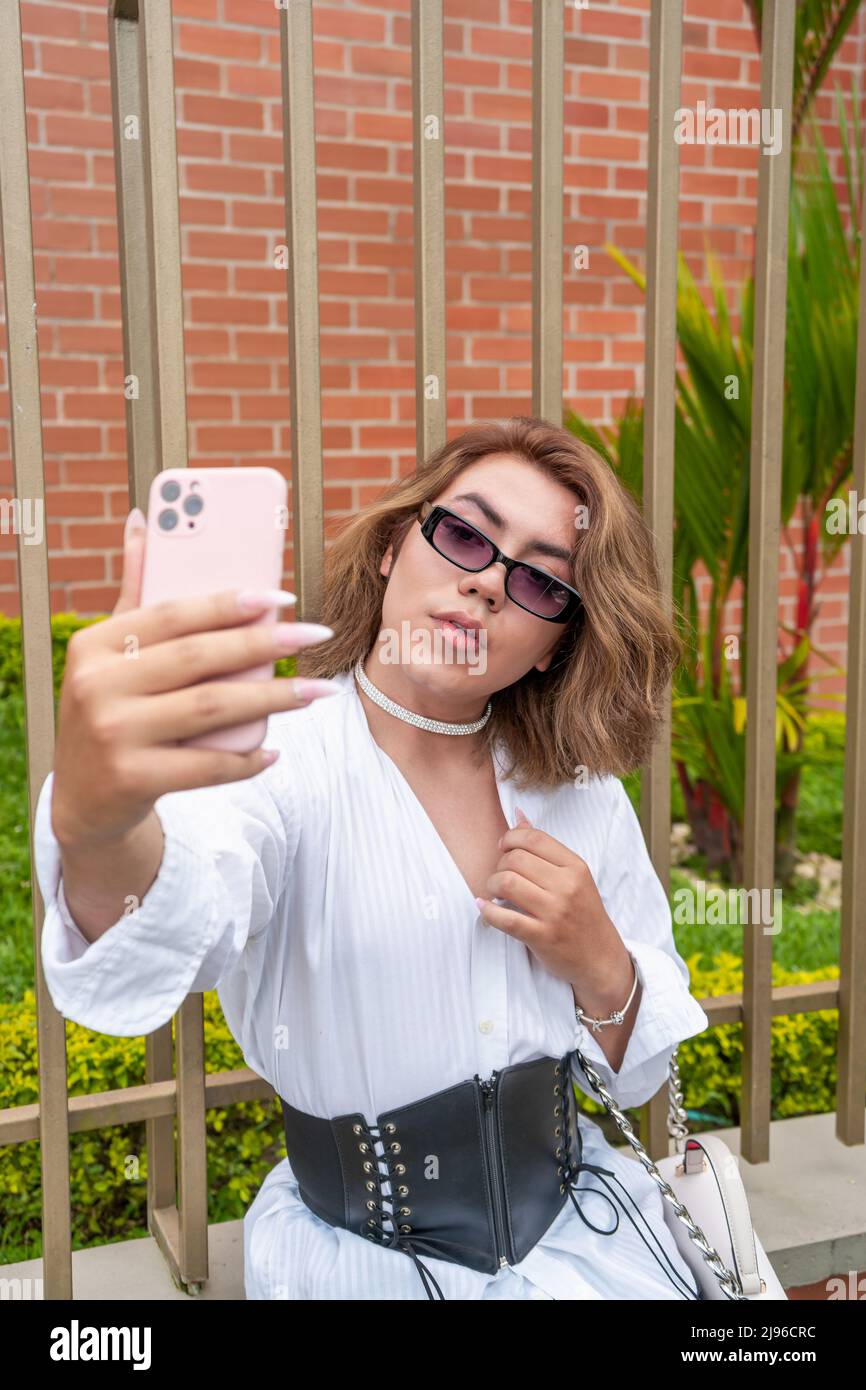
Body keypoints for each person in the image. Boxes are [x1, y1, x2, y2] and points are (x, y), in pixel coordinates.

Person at [34, 415, 710, 1301]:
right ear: (396, 545)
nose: (487, 587)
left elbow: (643, 1065)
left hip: (589, 1250)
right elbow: (170, 928)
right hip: (365, 1271)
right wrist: (96, 819)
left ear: (557, 645)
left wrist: (600, 961)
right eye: (465, 535)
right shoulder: (275, 758)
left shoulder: (578, 792)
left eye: (543, 582)